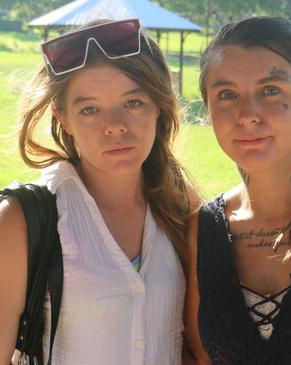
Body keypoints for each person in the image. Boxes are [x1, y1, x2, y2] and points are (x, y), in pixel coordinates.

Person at [0, 19, 197, 364]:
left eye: (133, 102)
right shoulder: (22, 221)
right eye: (90, 109)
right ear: (63, 118)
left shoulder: (182, 207)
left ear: (159, 104)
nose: (115, 125)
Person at [183, 17, 291, 364]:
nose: (248, 115)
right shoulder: (202, 231)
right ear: (209, 111)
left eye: (271, 90)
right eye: (227, 94)